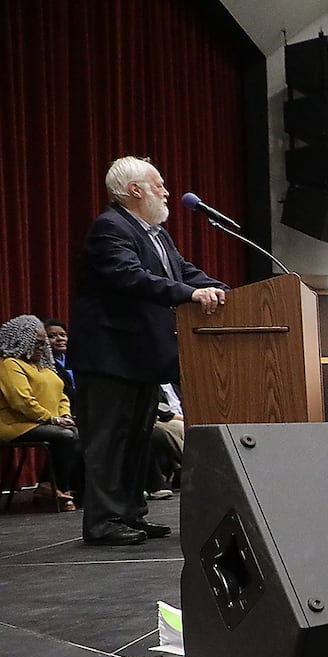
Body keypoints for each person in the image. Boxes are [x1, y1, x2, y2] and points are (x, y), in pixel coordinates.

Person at [70, 156, 227, 546]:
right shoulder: (111, 228)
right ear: (135, 190)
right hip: (109, 357)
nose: (167, 191)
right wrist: (191, 294)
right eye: (159, 184)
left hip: (138, 359)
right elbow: (131, 277)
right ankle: (104, 522)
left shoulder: (157, 234)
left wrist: (220, 289)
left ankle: (131, 515)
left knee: (137, 441)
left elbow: (182, 271)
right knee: (108, 442)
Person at [0, 314, 79, 510]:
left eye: (43, 344)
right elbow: (21, 402)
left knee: (79, 433)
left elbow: (63, 396)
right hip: (15, 425)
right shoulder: (10, 364)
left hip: (44, 422)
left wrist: (65, 415)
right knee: (66, 436)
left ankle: (60, 488)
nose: (42, 348)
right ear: (20, 340)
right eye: (37, 343)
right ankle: (57, 488)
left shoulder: (44, 366)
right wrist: (52, 419)